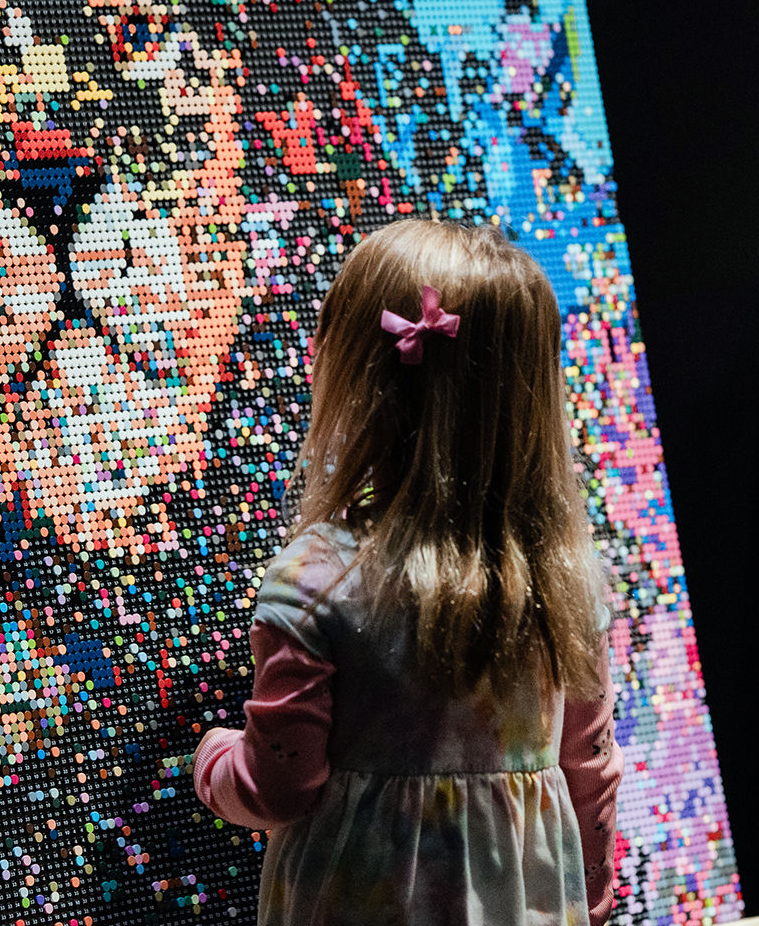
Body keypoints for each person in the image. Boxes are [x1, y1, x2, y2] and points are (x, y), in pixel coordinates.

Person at [192, 220, 622, 926]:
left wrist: (212, 761)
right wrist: (593, 896)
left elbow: (281, 787)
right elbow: (590, 769)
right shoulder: (564, 579)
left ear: (352, 377)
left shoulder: (317, 581)